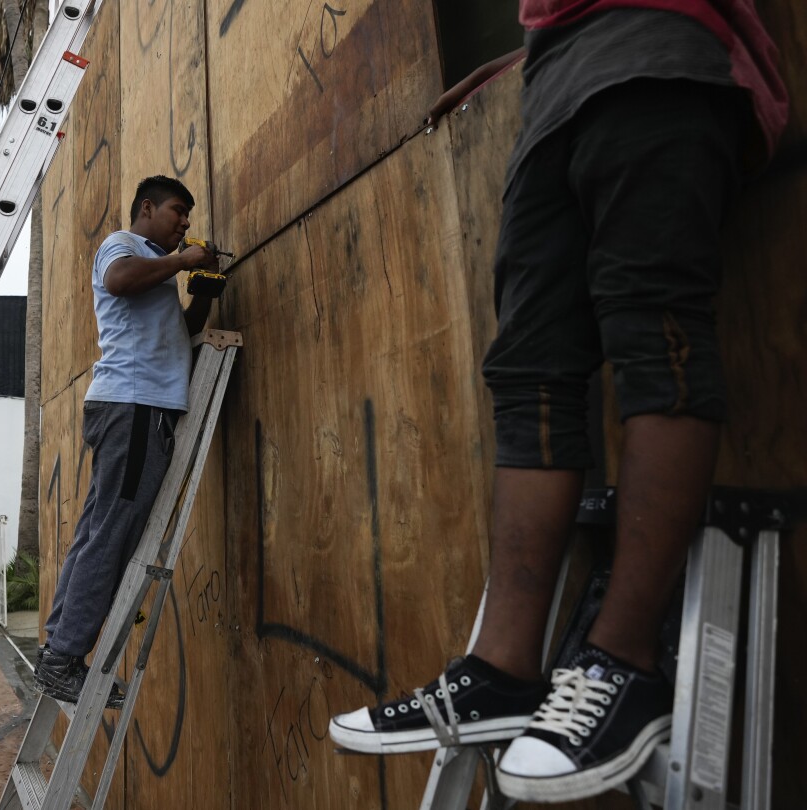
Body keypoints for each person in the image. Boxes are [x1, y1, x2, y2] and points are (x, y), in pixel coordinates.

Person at [328, 1, 786, 803]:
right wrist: (525, 57)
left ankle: (623, 662)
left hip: (654, 48)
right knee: (528, 372)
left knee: (658, 338)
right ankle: (503, 673)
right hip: (553, 82)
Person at [35, 175, 223, 705]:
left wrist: (203, 296)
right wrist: (183, 261)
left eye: (187, 216)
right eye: (177, 212)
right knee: (113, 533)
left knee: (99, 528)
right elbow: (118, 281)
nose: (185, 222)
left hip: (136, 405)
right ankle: (66, 658)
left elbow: (175, 339)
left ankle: (58, 650)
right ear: (147, 207)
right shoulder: (123, 246)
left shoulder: (155, 268)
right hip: (135, 406)